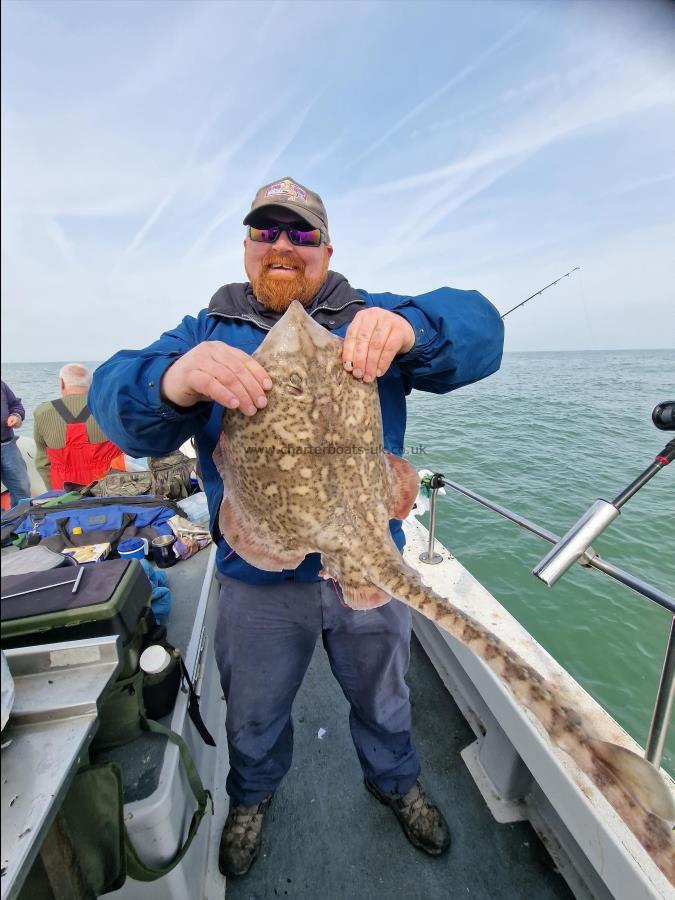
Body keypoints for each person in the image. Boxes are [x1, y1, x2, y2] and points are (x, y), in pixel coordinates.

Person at [90, 177, 505, 877]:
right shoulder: (204, 332)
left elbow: (480, 328)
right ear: (248, 248)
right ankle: (251, 796)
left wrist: (412, 328)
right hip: (257, 572)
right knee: (253, 709)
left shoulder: (366, 315)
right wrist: (171, 380)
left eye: (301, 234)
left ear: (326, 249)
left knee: (385, 695)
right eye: (267, 232)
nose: (283, 245)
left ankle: (395, 781)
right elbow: (115, 403)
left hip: (367, 558)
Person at [33, 363, 126, 490]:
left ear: (62, 383)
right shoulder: (109, 407)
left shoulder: (42, 413)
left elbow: (43, 463)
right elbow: (130, 444)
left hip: (66, 495)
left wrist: (53, 494)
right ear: (91, 384)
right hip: (108, 490)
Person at [1, 379, 32, 507]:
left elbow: (16, 405)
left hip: (7, 445)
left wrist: (16, 415)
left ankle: (20, 523)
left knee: (22, 488)